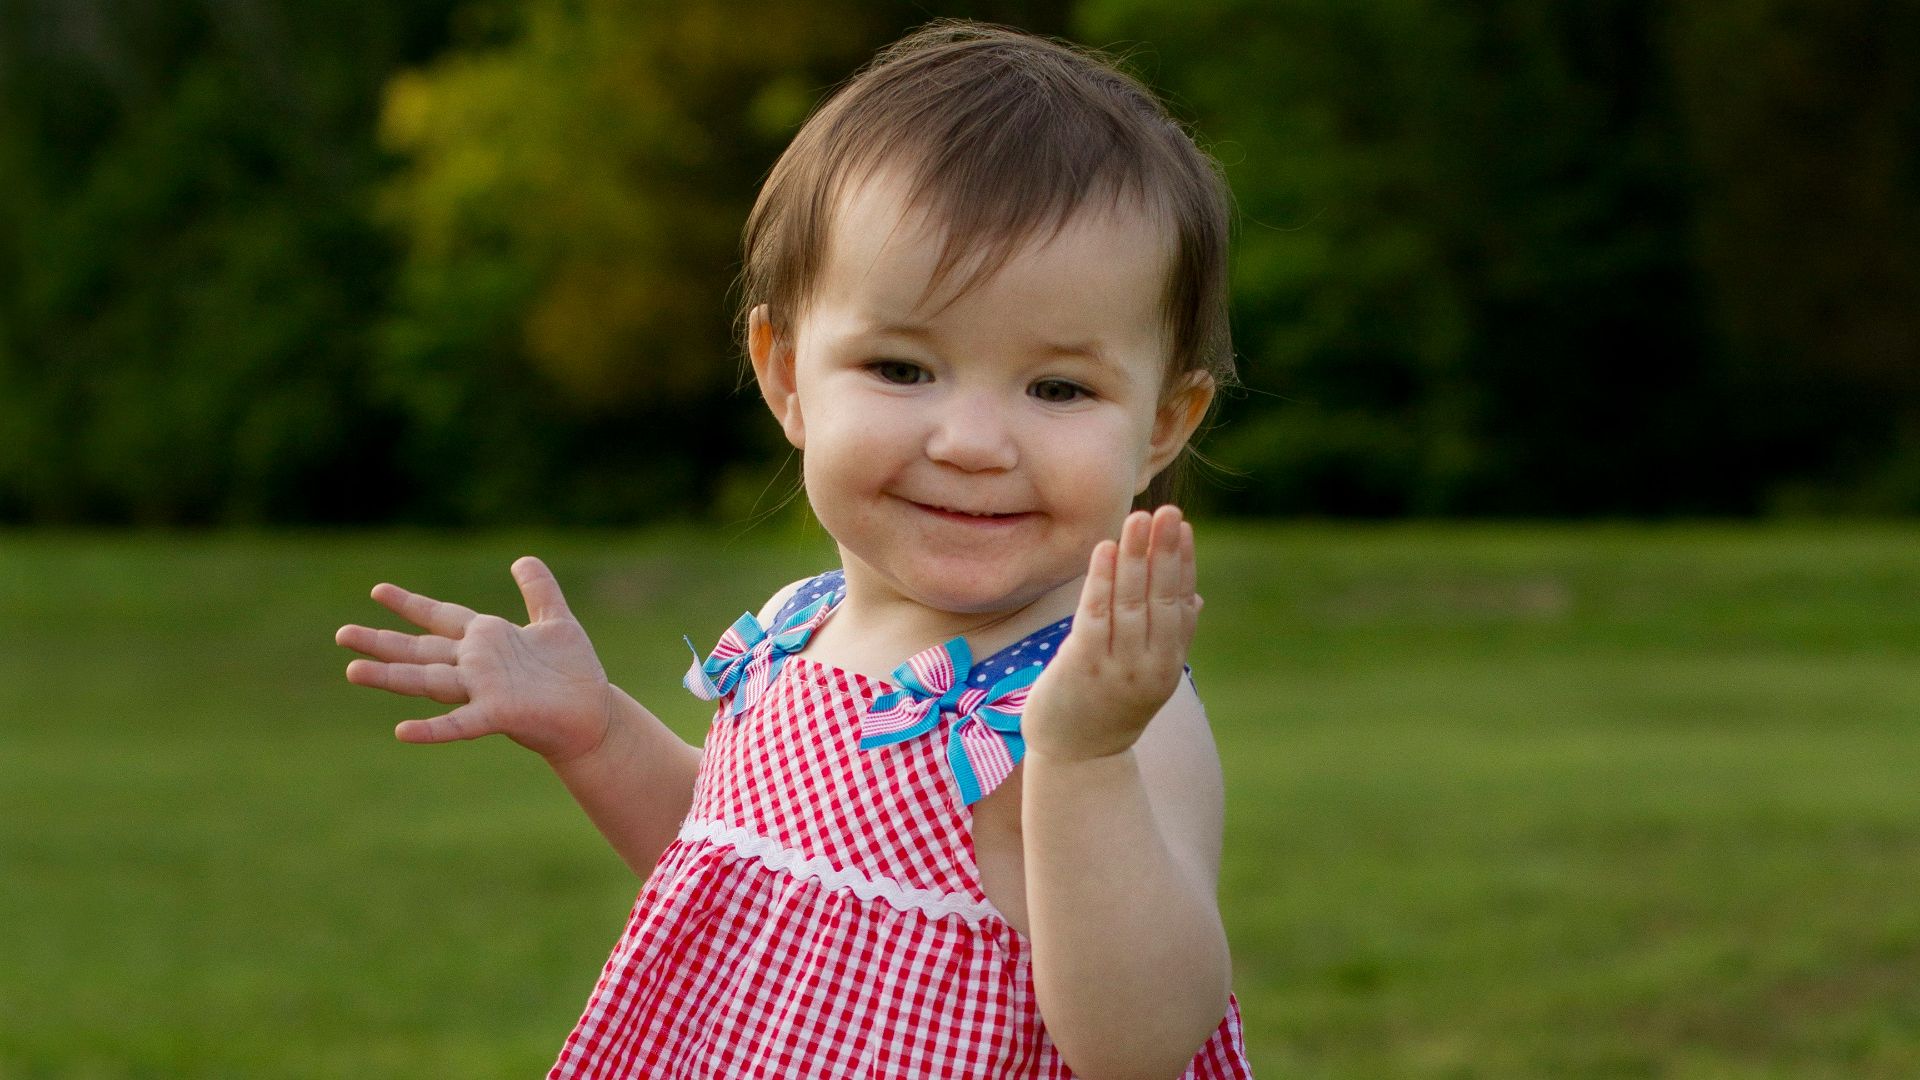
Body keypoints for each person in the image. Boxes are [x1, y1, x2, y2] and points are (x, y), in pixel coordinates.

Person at [336, 20, 1253, 1079]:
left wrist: (1082, 759)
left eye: (1058, 389)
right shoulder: (796, 630)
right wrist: (593, 734)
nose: (969, 444)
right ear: (783, 375)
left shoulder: (1107, 707)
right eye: (904, 369)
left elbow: (1138, 1045)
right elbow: (737, 879)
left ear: (1162, 425)